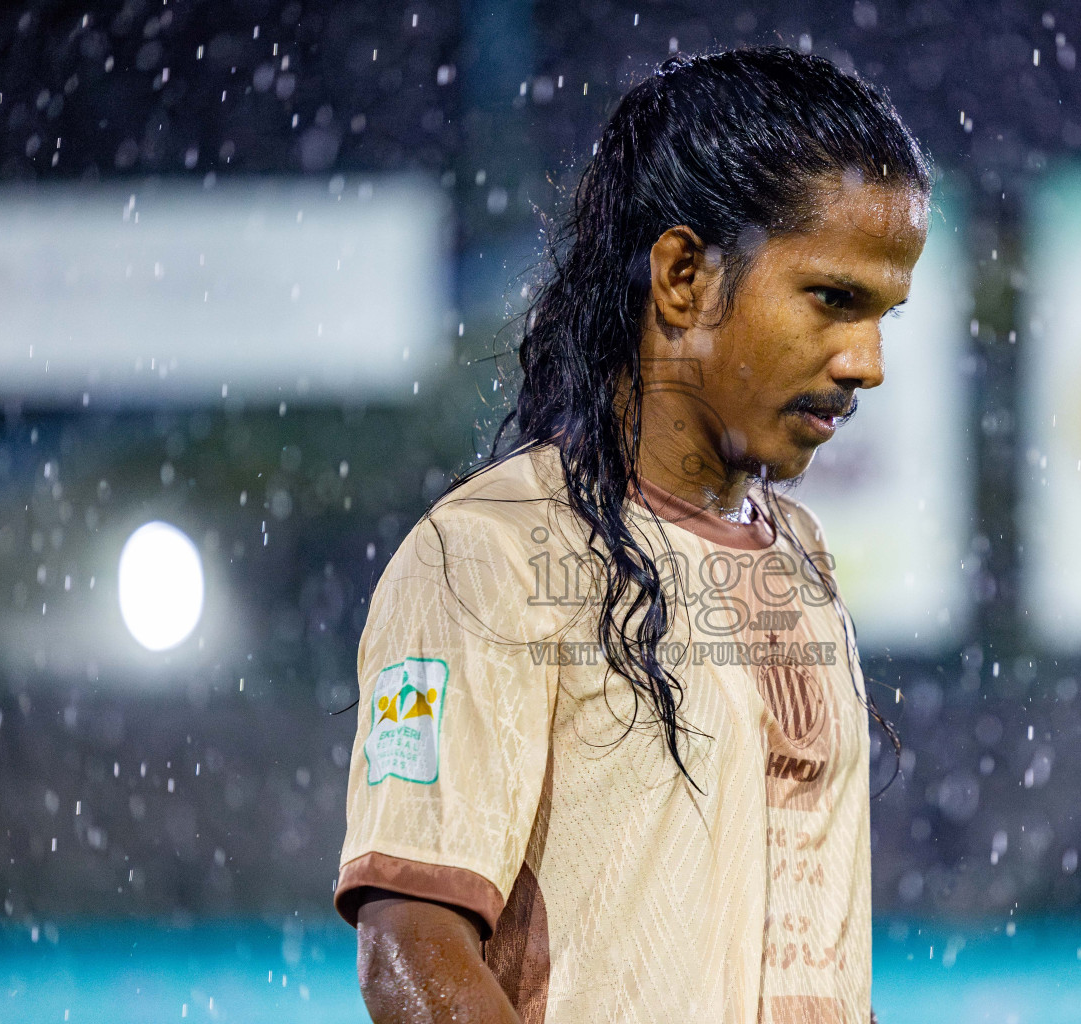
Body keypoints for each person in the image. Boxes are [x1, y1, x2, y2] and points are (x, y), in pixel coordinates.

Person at [333, 45, 929, 1024]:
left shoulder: (801, 558)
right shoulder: (488, 554)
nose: (866, 361)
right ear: (684, 275)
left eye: (885, 315)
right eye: (833, 299)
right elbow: (414, 948)